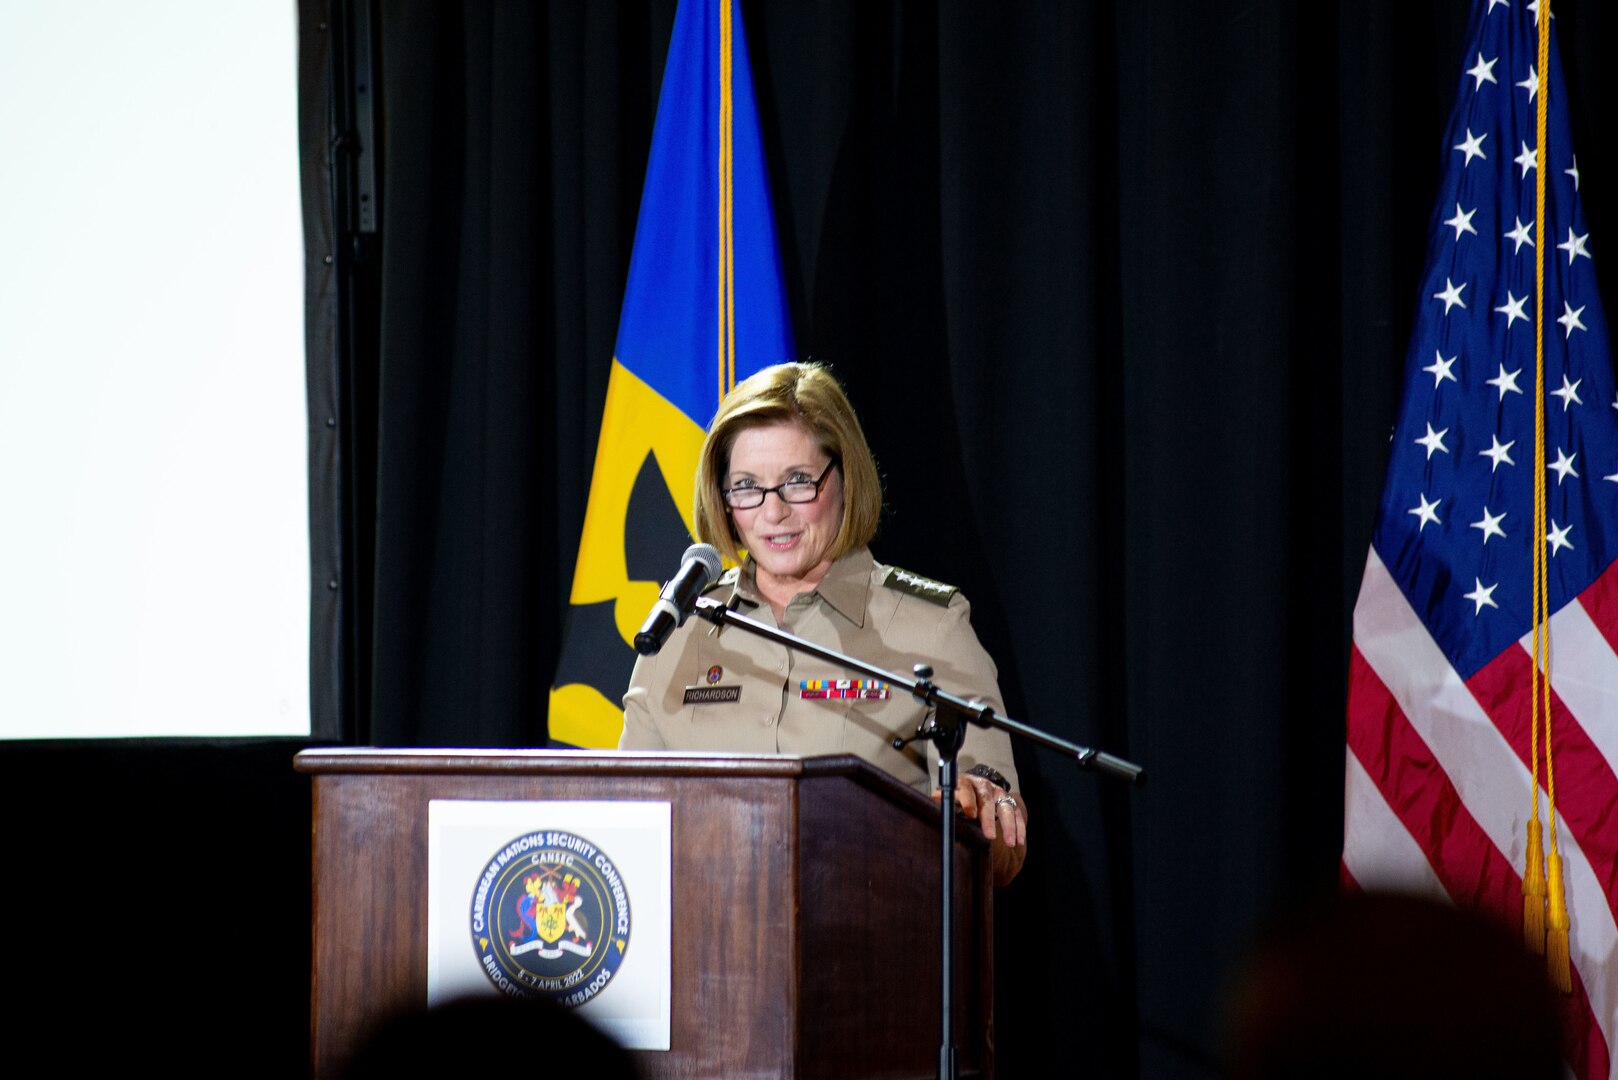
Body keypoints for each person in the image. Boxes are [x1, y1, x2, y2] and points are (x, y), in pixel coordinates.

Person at [620, 362, 1027, 885]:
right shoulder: (678, 632)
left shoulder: (931, 626)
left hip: (871, 940)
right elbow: (624, 826)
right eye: (746, 486)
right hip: (705, 949)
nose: (773, 513)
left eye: (797, 481)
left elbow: (1002, 851)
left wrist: (980, 806)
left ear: (844, 477)